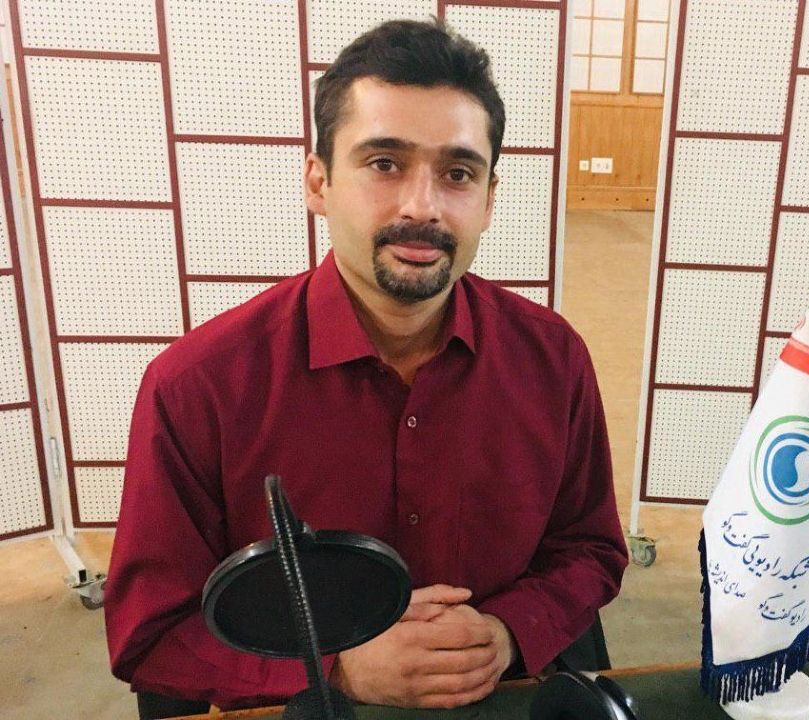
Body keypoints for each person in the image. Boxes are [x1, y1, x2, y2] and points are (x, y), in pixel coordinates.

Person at [103, 18, 628, 713]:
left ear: (489, 199)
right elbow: (150, 633)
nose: (422, 206)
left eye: (458, 173)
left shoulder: (552, 359)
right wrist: (336, 669)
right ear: (318, 181)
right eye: (384, 163)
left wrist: (507, 632)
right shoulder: (198, 386)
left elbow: (589, 548)